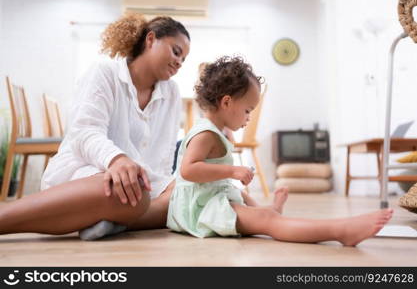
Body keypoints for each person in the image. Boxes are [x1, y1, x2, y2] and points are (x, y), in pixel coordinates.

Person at [166, 56, 393, 246]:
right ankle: (339, 230)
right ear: (226, 103)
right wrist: (232, 170)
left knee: (241, 195)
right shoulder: (205, 133)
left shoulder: (220, 131)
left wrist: (230, 175)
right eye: (247, 110)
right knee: (265, 220)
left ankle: (269, 211)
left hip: (208, 199)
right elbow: (188, 170)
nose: (248, 118)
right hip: (198, 211)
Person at [0, 13, 190, 239]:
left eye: (183, 59)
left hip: (136, 185)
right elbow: (84, 132)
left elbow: (165, 157)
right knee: (134, 193)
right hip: (88, 173)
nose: (179, 62)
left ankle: (111, 223)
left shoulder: (172, 92)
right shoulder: (105, 71)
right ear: (150, 40)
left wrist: (167, 187)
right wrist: (116, 159)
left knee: (185, 192)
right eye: (176, 52)